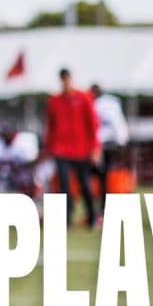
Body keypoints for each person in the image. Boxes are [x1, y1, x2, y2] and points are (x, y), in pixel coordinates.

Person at [44, 68, 100, 228]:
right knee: (64, 186)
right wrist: (49, 148)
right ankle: (66, 218)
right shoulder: (54, 101)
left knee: (85, 185)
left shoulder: (83, 98)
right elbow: (50, 126)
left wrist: (95, 148)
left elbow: (93, 124)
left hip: (82, 150)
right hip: (61, 150)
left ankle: (91, 216)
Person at [90, 83, 129, 212]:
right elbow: (119, 125)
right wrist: (121, 142)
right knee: (102, 178)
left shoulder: (101, 105)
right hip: (108, 145)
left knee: (101, 178)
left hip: (103, 146)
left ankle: (102, 207)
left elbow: (114, 124)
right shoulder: (110, 104)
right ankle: (102, 206)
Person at [0, 122, 42, 205]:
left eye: (10, 133)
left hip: (24, 182)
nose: (8, 135)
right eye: (5, 134)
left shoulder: (25, 142)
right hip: (4, 183)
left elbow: (33, 164)